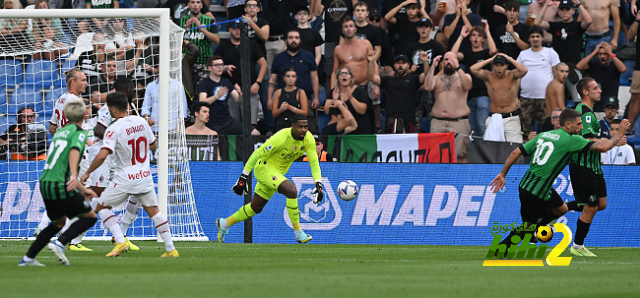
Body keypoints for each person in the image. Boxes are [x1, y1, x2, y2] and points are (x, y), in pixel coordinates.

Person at [488, 108, 629, 256]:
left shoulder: (544, 135)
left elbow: (515, 152)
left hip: (528, 185)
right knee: (528, 226)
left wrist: (503, 174)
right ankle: (502, 247)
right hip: (537, 191)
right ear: (568, 125)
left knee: (561, 209)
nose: (581, 127)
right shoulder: (571, 140)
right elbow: (603, 147)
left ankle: (537, 228)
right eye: (579, 124)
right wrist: (620, 133)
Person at [80, 92, 179, 258]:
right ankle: (171, 249)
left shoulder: (114, 129)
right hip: (144, 175)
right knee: (154, 211)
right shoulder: (141, 121)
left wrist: (87, 173)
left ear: (112, 109)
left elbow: (103, 154)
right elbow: (153, 145)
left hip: (126, 176)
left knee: (100, 206)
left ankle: (120, 240)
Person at [215, 114, 324, 244]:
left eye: (305, 127)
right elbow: (256, 154)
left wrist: (318, 184)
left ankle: (225, 223)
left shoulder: (308, 139)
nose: (303, 130)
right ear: (292, 126)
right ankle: (298, 232)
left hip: (276, 174)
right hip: (264, 169)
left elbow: (314, 163)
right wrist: (243, 178)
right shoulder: (281, 138)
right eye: (300, 126)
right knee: (291, 190)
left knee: (255, 207)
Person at [19, 97, 98, 267]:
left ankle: (28, 259)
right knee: (90, 217)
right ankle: (60, 243)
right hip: (60, 183)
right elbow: (75, 152)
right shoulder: (79, 133)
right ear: (84, 114)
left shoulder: (59, 132)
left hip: (45, 181)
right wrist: (77, 182)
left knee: (58, 222)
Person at [565, 78, 620, 257]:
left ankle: (559, 207)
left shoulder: (590, 113)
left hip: (594, 166)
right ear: (585, 92)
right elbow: (587, 140)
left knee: (600, 204)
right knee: (591, 206)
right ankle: (577, 246)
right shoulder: (584, 113)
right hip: (583, 166)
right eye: (595, 88)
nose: (600, 91)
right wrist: (611, 140)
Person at [214, 20, 267, 132]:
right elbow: (213, 67)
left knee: (252, 124)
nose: (237, 31)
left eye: (240, 28)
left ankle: (251, 147)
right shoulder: (223, 46)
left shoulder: (251, 44)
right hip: (230, 90)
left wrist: (258, 83)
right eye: (235, 28)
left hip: (250, 89)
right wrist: (224, 68)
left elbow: (263, 65)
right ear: (229, 29)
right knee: (233, 124)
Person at [536, 0, 591, 103]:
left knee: (578, 100)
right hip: (556, 67)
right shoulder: (555, 26)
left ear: (572, 11)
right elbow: (537, 22)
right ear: (558, 11)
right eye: (562, 10)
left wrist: (579, 5)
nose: (564, 12)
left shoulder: (577, 26)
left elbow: (588, 21)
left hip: (573, 66)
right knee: (557, 101)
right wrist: (546, 6)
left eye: (567, 9)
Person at [268, 30, 320, 134]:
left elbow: (314, 77)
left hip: (306, 98)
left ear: (300, 40)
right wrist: (270, 99)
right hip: (283, 98)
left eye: (296, 38)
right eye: (291, 38)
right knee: (282, 131)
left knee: (309, 131)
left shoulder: (308, 56)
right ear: (286, 40)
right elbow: (273, 79)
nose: (294, 40)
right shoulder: (279, 58)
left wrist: (316, 97)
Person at [332, 17, 378, 131]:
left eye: (351, 26)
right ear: (342, 30)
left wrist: (377, 85)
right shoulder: (338, 49)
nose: (349, 29)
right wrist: (333, 89)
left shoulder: (366, 44)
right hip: (346, 89)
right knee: (349, 118)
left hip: (365, 86)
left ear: (355, 29)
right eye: (346, 27)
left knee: (367, 118)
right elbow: (335, 71)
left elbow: (374, 64)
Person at [425, 52, 472, 163]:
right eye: (446, 60)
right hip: (438, 123)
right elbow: (427, 87)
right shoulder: (436, 79)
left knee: (460, 155)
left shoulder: (464, 77)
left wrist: (458, 68)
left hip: (458, 122)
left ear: (457, 62)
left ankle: (460, 179)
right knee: (435, 155)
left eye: (452, 60)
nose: (448, 62)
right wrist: (433, 67)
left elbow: (468, 86)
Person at [470, 53, 528, 143]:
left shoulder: (512, 75)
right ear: (493, 66)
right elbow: (473, 69)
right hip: (493, 117)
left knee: (515, 146)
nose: (499, 68)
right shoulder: (488, 76)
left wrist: (509, 58)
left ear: (506, 66)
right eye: (496, 65)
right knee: (489, 148)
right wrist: (491, 59)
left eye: (502, 65)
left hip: (511, 118)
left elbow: (524, 70)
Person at [452, 25, 498, 138]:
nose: (476, 38)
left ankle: (485, 152)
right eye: (473, 35)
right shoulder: (467, 54)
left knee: (482, 125)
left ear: (483, 39)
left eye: (479, 36)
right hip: (469, 96)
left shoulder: (486, 53)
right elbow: (452, 55)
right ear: (470, 38)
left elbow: (493, 51)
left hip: (483, 95)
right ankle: (475, 154)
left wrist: (487, 32)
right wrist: (461, 37)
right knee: (472, 129)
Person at [517, 26, 560, 140]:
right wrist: (515, 97)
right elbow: (517, 77)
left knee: (546, 131)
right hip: (526, 98)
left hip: (545, 99)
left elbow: (558, 75)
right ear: (529, 39)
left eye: (537, 36)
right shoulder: (523, 54)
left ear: (542, 38)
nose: (535, 39)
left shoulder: (550, 53)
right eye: (532, 37)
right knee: (525, 132)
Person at [368, 52, 429, 133]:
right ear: (394, 65)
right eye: (398, 63)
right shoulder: (388, 80)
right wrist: (371, 62)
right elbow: (371, 77)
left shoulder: (413, 79)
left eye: (403, 63)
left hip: (408, 120)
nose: (400, 65)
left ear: (408, 65)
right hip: (391, 120)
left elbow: (426, 76)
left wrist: (425, 62)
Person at [576, 41, 626, 117]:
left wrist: (611, 53)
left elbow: (623, 69)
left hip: (610, 108)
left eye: (605, 54)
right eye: (600, 54)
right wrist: (594, 52)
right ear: (597, 56)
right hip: (595, 108)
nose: (602, 56)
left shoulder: (614, 66)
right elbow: (579, 66)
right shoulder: (593, 65)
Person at [198, 55, 243, 135]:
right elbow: (202, 102)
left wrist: (240, 93)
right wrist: (216, 96)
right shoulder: (204, 83)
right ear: (210, 68)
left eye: (222, 65)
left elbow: (239, 101)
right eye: (216, 65)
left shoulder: (226, 82)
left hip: (228, 120)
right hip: (213, 123)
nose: (220, 67)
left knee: (255, 133)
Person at [180, 0, 220, 89]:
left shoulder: (209, 20)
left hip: (204, 62)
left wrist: (203, 30)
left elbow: (217, 40)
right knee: (187, 92)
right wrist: (185, 28)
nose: (195, 5)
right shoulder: (182, 20)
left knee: (203, 91)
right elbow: (176, 40)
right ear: (188, 5)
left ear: (201, 5)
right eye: (193, 2)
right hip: (187, 62)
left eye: (198, 2)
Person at [313, 0, 354, 85]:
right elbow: (317, 13)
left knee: (348, 71)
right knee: (330, 72)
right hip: (330, 38)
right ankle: (329, 97)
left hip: (347, 38)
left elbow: (356, 7)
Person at [49, 69, 88, 135]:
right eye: (83, 80)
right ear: (73, 82)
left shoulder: (61, 99)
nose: (86, 83)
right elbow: (72, 127)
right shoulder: (74, 101)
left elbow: (52, 128)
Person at [271, 67, 309, 132]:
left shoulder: (300, 92)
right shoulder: (278, 92)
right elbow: (274, 113)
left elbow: (305, 113)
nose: (290, 79)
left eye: (293, 76)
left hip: (295, 124)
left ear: (296, 78)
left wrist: (290, 107)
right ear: (284, 78)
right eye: (288, 76)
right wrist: (281, 109)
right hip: (281, 123)